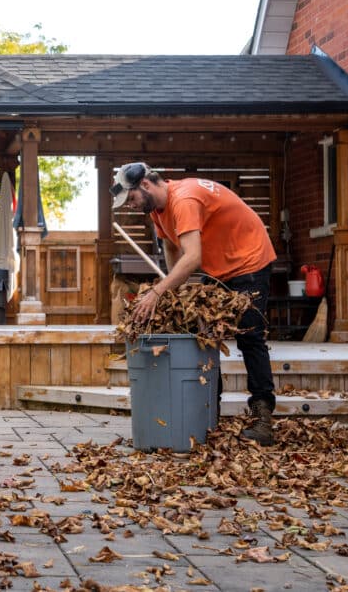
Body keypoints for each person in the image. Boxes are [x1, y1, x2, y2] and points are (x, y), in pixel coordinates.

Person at [110, 162, 278, 446]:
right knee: (205, 336)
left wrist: (159, 292)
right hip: (220, 269)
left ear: (146, 185)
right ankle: (207, 413)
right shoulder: (157, 210)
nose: (130, 206)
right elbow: (171, 246)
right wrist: (179, 291)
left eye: (132, 198)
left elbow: (193, 258)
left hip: (249, 261)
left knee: (250, 337)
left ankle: (262, 418)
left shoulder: (184, 199)